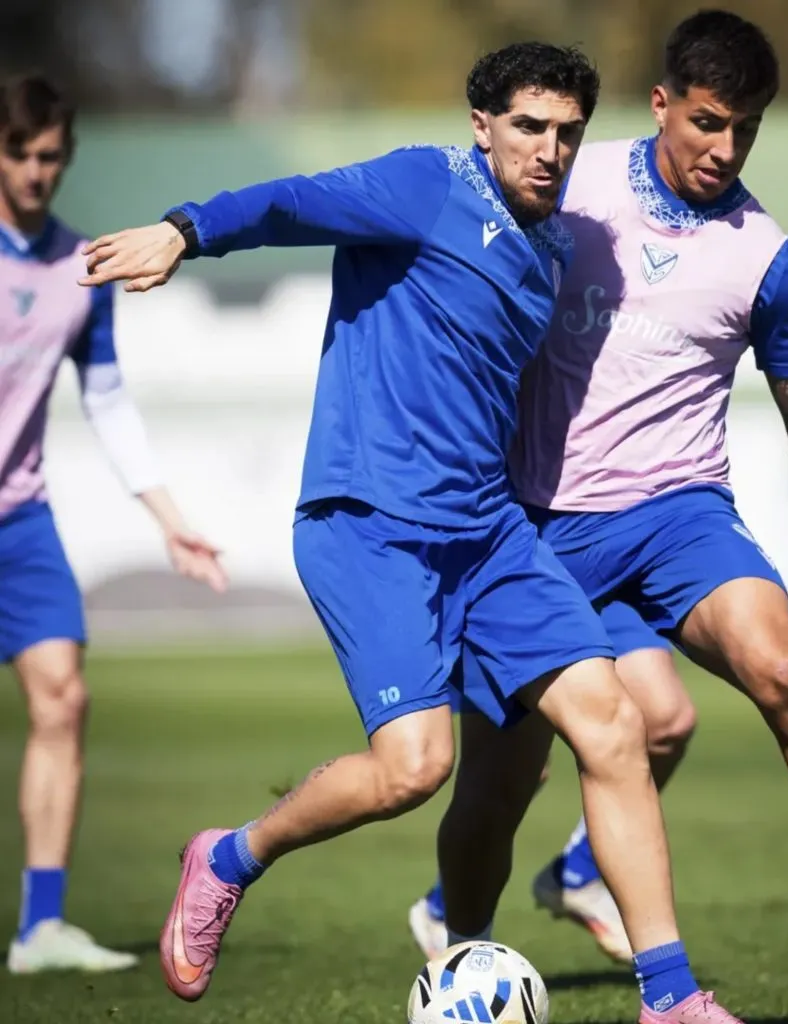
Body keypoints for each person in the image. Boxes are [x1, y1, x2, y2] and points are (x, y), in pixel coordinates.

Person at [79, 43, 744, 1024]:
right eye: (527, 126)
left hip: (490, 533)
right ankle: (228, 858)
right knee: (414, 769)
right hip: (371, 526)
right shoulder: (423, 186)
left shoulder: (554, 249)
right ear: (482, 125)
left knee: (615, 725)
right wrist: (185, 232)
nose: (549, 150)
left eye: (567, 133)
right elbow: (288, 203)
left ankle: (671, 998)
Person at [412, 12, 788, 1022]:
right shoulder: (566, 182)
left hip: (679, 514)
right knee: (499, 782)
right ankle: (459, 953)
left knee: (787, 674)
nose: (725, 148)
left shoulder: (766, 258)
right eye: (708, 122)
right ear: (662, 103)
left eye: (746, 129)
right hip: (533, 525)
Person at [0, 74, 227, 974]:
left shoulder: (80, 268)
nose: (36, 171)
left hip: (21, 519)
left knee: (63, 697)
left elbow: (105, 398)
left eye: (50, 156)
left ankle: (41, 928)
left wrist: (169, 519)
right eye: (20, 154)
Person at [409, 605, 695, 965]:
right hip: (520, 583)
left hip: (599, 575)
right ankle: (447, 909)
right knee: (513, 769)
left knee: (665, 721)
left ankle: (578, 873)